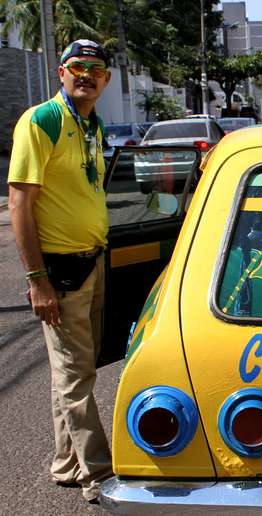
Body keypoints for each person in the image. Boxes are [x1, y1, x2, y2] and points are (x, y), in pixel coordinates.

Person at [7, 39, 113, 504]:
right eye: (77, 66)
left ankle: (67, 463)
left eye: (96, 69)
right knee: (76, 376)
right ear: (61, 72)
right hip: (60, 270)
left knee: (70, 372)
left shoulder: (93, 124)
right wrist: (38, 279)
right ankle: (99, 473)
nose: (86, 74)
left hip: (93, 261)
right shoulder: (42, 120)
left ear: (106, 80)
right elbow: (19, 202)